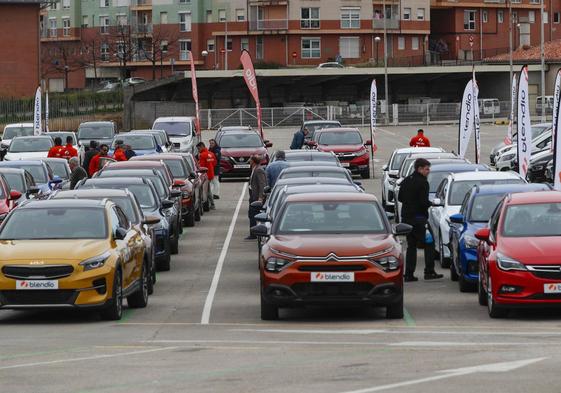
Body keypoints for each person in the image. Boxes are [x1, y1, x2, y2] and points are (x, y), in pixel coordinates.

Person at [398, 158, 443, 282]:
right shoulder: (423, 182)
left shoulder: (406, 181)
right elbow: (423, 202)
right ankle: (429, 271)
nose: (428, 172)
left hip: (406, 218)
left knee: (411, 245)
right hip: (419, 219)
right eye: (427, 169)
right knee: (429, 243)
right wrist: (431, 203)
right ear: (420, 169)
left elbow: (400, 198)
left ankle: (408, 274)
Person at [246, 155, 267, 240]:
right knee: (251, 214)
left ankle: (253, 234)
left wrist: (260, 197)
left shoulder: (258, 170)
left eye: (250, 159)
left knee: (253, 215)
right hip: (253, 197)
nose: (249, 161)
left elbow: (262, 184)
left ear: (253, 161)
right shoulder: (254, 169)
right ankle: (253, 233)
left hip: (256, 198)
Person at [196, 142, 217, 210]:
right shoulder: (211, 154)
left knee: (206, 191)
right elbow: (214, 163)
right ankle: (211, 204)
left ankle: (211, 204)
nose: (198, 150)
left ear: (202, 146)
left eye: (199, 148)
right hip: (211, 174)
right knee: (208, 190)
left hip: (205, 175)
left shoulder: (202, 155)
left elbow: (201, 166)